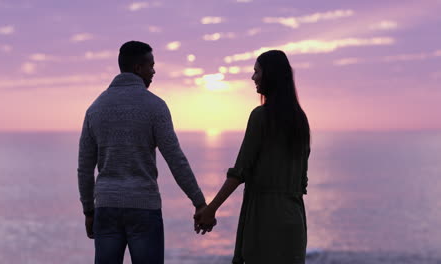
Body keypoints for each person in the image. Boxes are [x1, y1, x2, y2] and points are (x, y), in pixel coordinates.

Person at [77, 40, 213, 264]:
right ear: (138, 68)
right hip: (144, 208)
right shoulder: (155, 106)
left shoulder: (95, 109)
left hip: (106, 208)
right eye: (151, 65)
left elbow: (84, 167)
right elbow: (175, 159)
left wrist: (89, 211)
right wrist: (199, 202)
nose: (154, 71)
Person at [194, 50, 311, 264]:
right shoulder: (300, 120)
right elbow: (302, 181)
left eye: (256, 71)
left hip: (265, 220)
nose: (253, 77)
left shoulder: (261, 116)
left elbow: (240, 171)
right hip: (294, 222)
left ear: (270, 75)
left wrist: (211, 209)